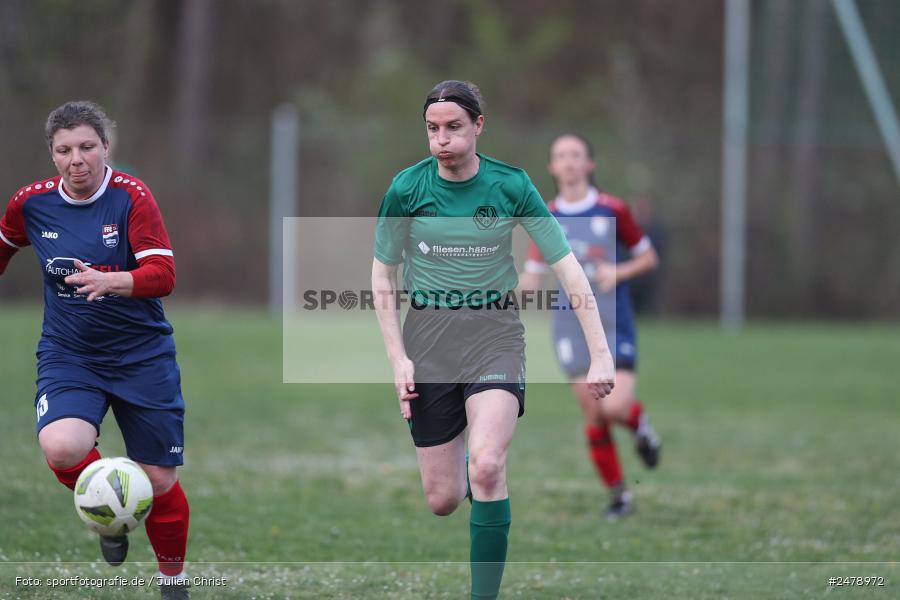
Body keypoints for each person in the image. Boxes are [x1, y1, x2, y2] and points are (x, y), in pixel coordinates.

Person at [371, 81, 616, 600]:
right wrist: (398, 360)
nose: (442, 139)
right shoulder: (406, 189)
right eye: (433, 129)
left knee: (486, 466)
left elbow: (568, 268)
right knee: (443, 499)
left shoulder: (512, 185)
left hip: (494, 334)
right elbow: (382, 276)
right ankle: (467, 455)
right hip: (428, 340)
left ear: (479, 125)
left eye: (454, 127)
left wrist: (600, 353)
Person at [0, 101, 190, 600]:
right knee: (62, 446)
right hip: (70, 354)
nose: (76, 159)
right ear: (52, 154)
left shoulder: (131, 197)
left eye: (86, 147)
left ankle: (174, 584)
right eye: (64, 150)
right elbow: (4, 247)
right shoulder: (31, 203)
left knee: (159, 479)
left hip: (141, 355)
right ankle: (109, 511)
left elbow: (164, 275)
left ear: (106, 147)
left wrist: (114, 281)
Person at [518, 133, 662, 520]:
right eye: (560, 155)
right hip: (569, 326)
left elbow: (648, 258)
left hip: (614, 321)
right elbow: (533, 276)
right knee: (595, 413)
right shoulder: (545, 217)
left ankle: (639, 424)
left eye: (575, 154)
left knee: (614, 406)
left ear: (589, 164)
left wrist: (618, 271)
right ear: (552, 167)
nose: (568, 161)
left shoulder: (613, 209)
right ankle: (619, 495)